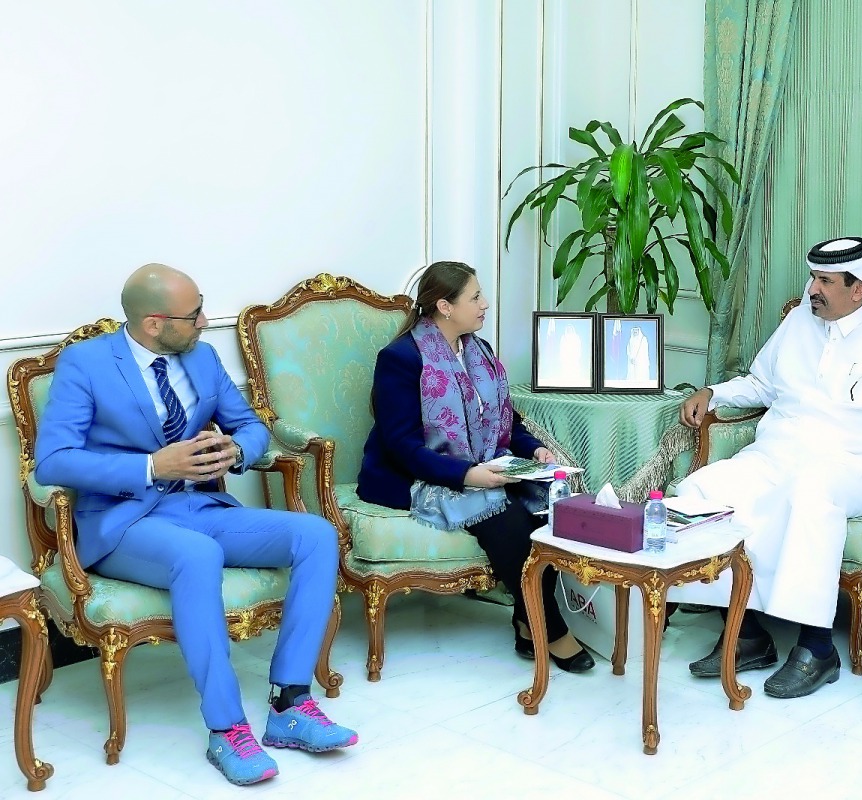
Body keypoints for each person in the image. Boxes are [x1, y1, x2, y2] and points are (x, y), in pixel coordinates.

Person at [34, 264, 356, 787]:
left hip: (201, 510)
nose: (206, 322)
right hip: (124, 521)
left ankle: (290, 705)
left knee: (315, 535)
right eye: (195, 314)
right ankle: (226, 728)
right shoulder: (86, 364)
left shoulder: (202, 359)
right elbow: (52, 462)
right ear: (155, 322)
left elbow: (251, 425)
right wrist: (151, 467)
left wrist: (238, 451)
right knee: (196, 555)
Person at [671, 237, 862, 698]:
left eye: (824, 281)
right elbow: (760, 383)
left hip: (852, 467)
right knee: (701, 489)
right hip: (775, 456)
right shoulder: (800, 322)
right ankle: (747, 632)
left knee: (811, 492)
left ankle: (817, 648)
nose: (812, 288)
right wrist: (714, 394)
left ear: (858, 289)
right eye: (812, 278)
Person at [357, 260, 595, 674]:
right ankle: (550, 628)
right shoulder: (400, 358)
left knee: (545, 504)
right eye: (475, 297)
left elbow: (508, 421)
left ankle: (526, 621)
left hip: (483, 466)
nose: (485, 304)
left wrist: (535, 450)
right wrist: (466, 476)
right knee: (506, 518)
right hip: (410, 473)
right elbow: (401, 446)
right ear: (445, 307)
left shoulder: (477, 350)